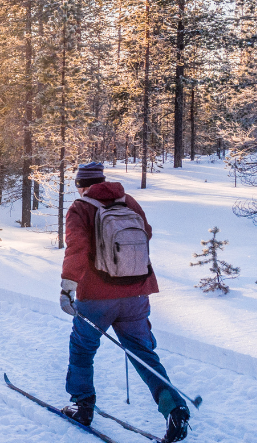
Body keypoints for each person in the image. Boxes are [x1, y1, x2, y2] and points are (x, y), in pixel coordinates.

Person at [58, 162, 190, 442]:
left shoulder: (80, 208)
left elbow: (77, 248)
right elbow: (146, 234)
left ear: (81, 185)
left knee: (82, 349)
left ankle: (82, 407)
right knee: (143, 353)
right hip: (136, 293)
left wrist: (68, 286)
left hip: (96, 297)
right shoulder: (128, 202)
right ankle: (174, 408)